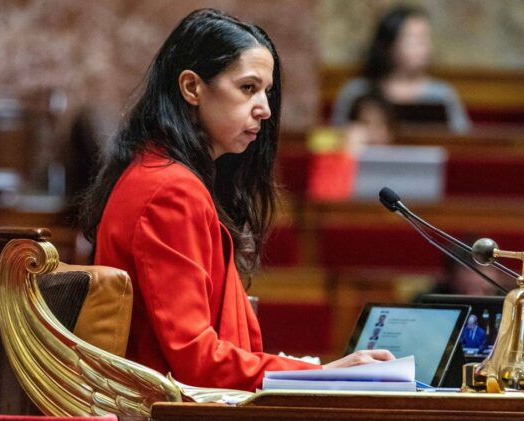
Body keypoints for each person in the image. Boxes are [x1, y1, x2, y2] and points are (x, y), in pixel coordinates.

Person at [80, 9, 393, 392]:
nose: (264, 108)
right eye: (247, 88)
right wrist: (322, 374)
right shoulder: (170, 190)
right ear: (192, 88)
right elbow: (196, 359)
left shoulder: (155, 171)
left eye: (266, 91)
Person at [331, 5, 470, 134]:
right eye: (414, 39)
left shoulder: (441, 95)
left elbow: (461, 141)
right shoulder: (357, 92)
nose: (424, 47)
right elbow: (335, 139)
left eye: (426, 38)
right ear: (389, 45)